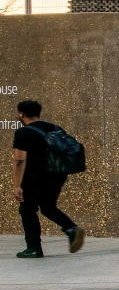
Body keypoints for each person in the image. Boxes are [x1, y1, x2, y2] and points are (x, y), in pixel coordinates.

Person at [12, 100, 83, 259]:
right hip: (57, 176)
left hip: (34, 178)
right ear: (38, 113)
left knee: (27, 209)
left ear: (21, 114)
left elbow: (20, 159)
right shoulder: (55, 128)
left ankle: (33, 248)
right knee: (48, 207)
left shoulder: (23, 133)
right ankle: (71, 228)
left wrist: (17, 185)